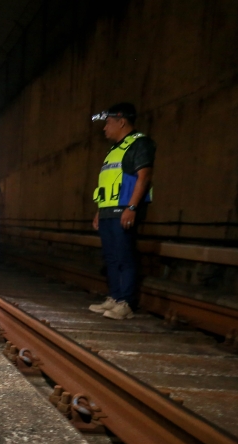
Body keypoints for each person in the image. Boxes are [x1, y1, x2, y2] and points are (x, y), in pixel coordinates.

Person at [88, 102, 155, 320]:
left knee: (124, 256)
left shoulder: (139, 144)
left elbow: (143, 178)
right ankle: (115, 297)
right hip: (108, 211)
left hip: (124, 210)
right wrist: (100, 211)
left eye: (108, 123)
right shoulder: (114, 150)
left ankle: (126, 302)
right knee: (110, 256)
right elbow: (108, 183)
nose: (105, 128)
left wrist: (132, 207)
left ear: (122, 122)